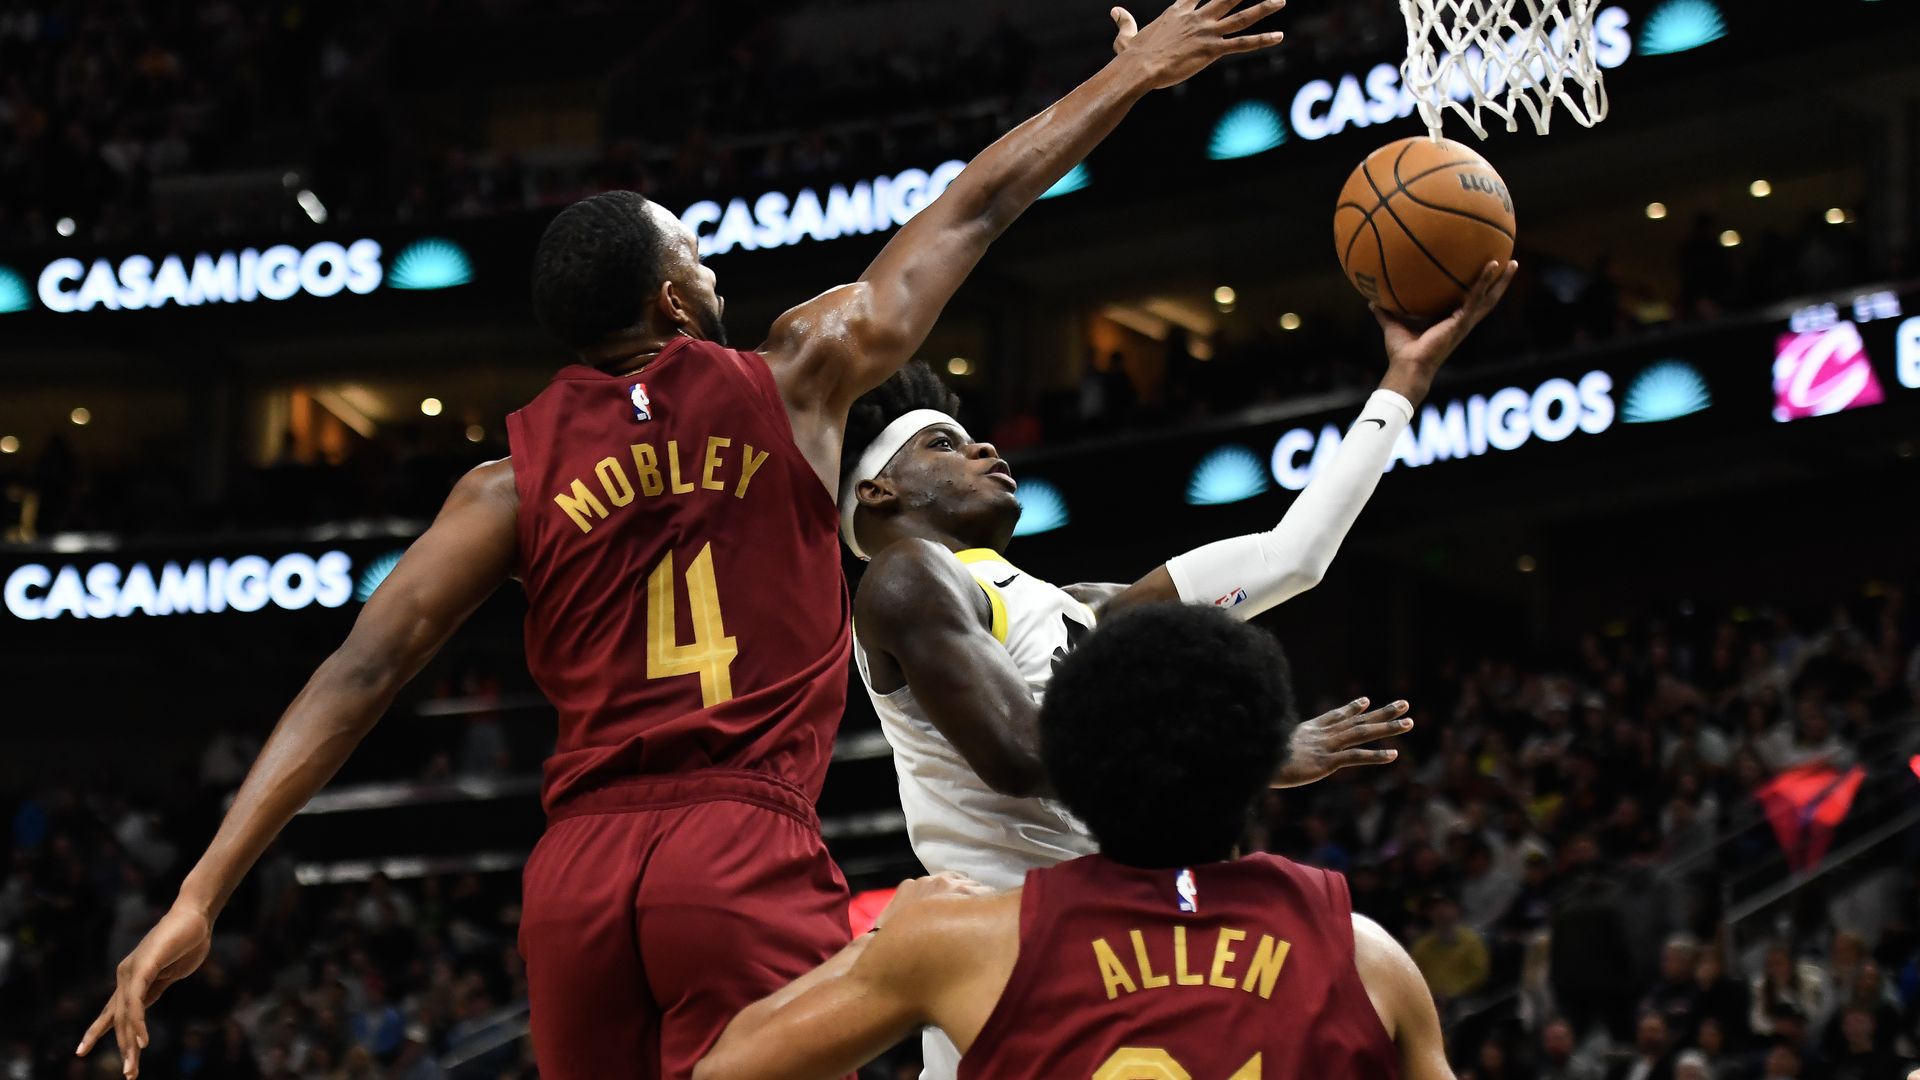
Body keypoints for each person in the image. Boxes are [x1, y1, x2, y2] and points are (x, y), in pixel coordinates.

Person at [76, 4, 1294, 1076]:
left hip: (576, 877)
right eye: (696, 258)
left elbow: (358, 673)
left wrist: (200, 892)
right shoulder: (798, 376)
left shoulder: (505, 485)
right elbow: (974, 206)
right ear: (671, 300)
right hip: (738, 842)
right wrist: (1129, 75)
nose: (713, 274)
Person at [838, 245, 1512, 1075]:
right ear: (877, 493)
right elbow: (1017, 757)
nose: (985, 451)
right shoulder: (908, 576)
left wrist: (1406, 377)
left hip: (1112, 928)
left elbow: (1291, 558)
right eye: (945, 444)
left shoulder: (1081, 607)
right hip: (1001, 949)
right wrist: (1243, 758)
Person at [694, 602, 1453, 1079]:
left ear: (1068, 762)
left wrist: (884, 937)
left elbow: (727, 1070)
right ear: (1264, 767)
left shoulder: (963, 944)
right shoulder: (1367, 958)